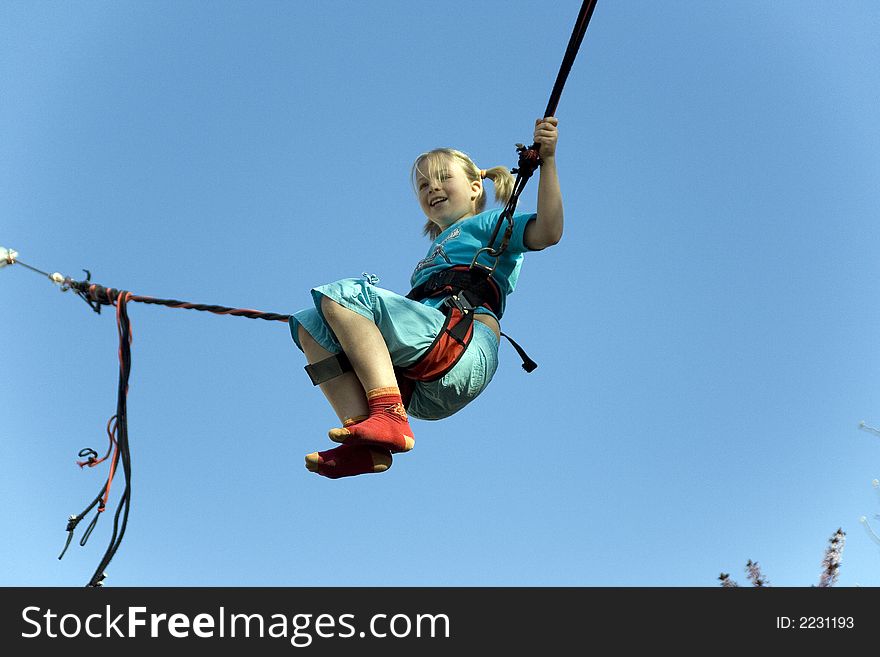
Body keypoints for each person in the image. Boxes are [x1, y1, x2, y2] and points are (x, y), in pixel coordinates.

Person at [289, 117, 563, 479]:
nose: (432, 188)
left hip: (463, 349)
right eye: (422, 185)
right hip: (424, 390)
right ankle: (367, 441)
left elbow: (549, 231)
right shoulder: (428, 260)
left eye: (443, 178)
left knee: (345, 296)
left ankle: (388, 415)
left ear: (476, 187)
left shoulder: (489, 224)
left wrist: (548, 163)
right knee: (308, 323)